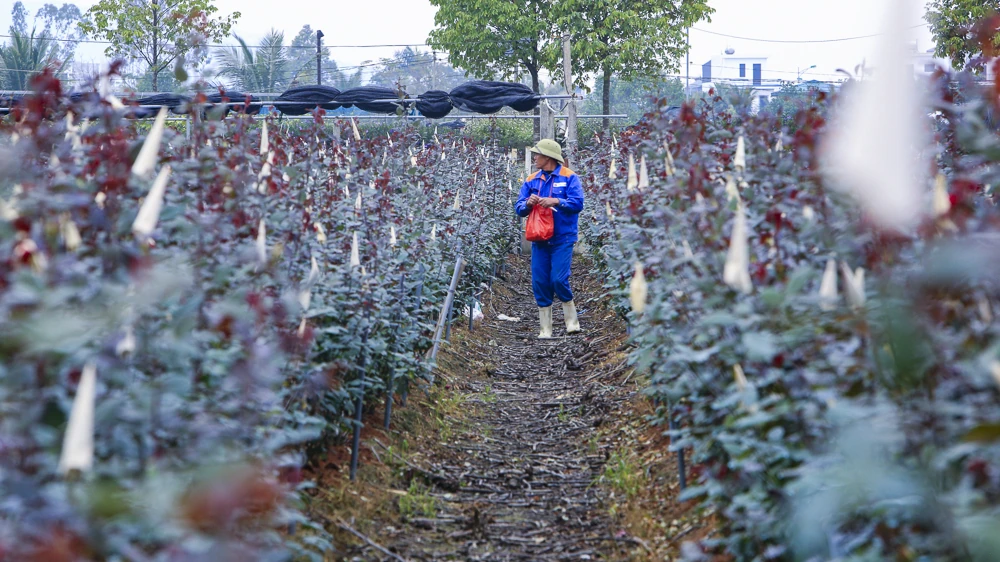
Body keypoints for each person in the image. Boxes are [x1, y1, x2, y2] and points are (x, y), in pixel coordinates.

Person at [514, 139, 585, 339]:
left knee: (558, 279)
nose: (534, 157)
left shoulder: (570, 177)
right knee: (540, 281)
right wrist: (528, 203)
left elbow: (578, 204)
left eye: (537, 154)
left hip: (562, 238)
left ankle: (572, 322)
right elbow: (519, 208)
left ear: (548, 157)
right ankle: (546, 329)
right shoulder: (531, 179)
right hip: (539, 239)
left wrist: (557, 201)